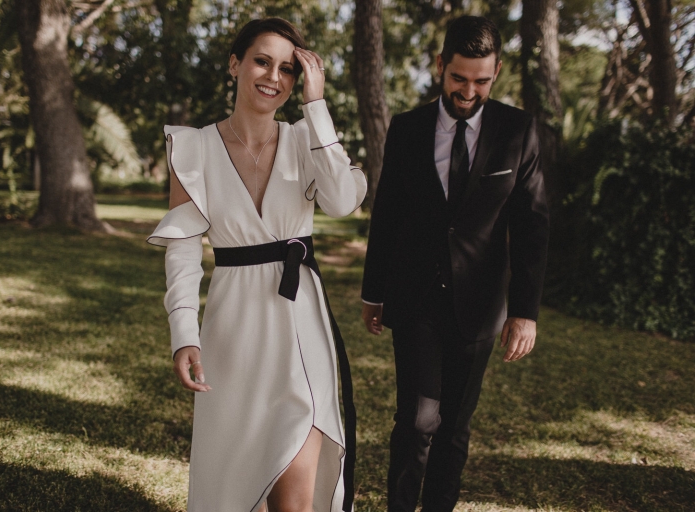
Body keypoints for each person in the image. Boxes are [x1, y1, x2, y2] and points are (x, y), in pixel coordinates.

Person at [147, 18, 365, 512]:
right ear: (235, 64)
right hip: (234, 330)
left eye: (288, 68)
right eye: (262, 61)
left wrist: (317, 106)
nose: (273, 77)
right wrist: (184, 332)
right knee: (238, 483)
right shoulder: (193, 147)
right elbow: (183, 248)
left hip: (300, 324)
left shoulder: (307, 139)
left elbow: (342, 200)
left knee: (295, 498)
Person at [360, 16, 549, 512]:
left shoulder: (518, 129)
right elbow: (388, 216)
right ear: (440, 65)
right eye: (459, 78)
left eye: (481, 80)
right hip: (415, 298)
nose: (468, 90)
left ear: (497, 72)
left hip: (480, 304)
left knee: (455, 428)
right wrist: (372, 291)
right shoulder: (406, 129)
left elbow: (532, 224)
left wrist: (525, 311)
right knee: (418, 420)